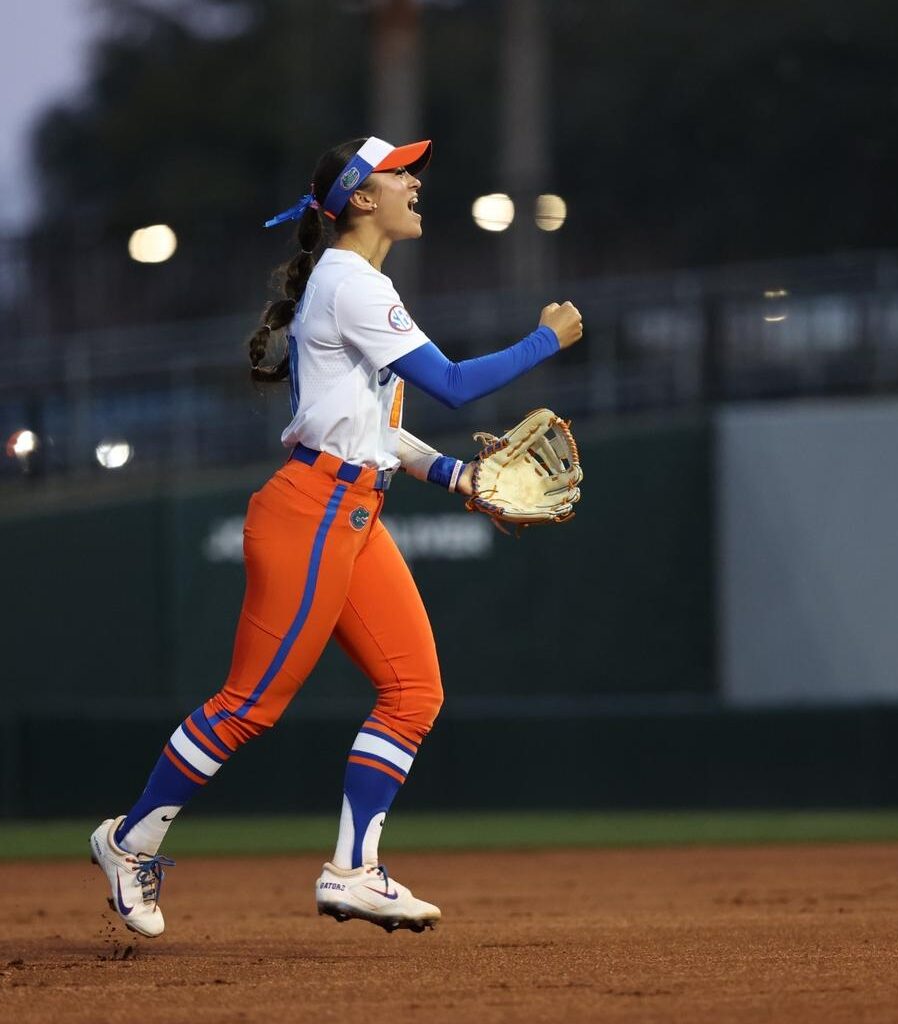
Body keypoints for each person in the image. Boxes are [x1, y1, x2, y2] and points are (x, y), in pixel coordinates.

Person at [89, 136, 584, 936]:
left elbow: (379, 432)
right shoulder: (353, 284)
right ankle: (129, 839)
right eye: (401, 175)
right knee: (249, 705)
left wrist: (456, 477)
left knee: (415, 691)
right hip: (313, 514)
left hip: (352, 513)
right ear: (362, 198)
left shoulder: (358, 283)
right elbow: (454, 386)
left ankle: (354, 871)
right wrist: (544, 341)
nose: (416, 183)